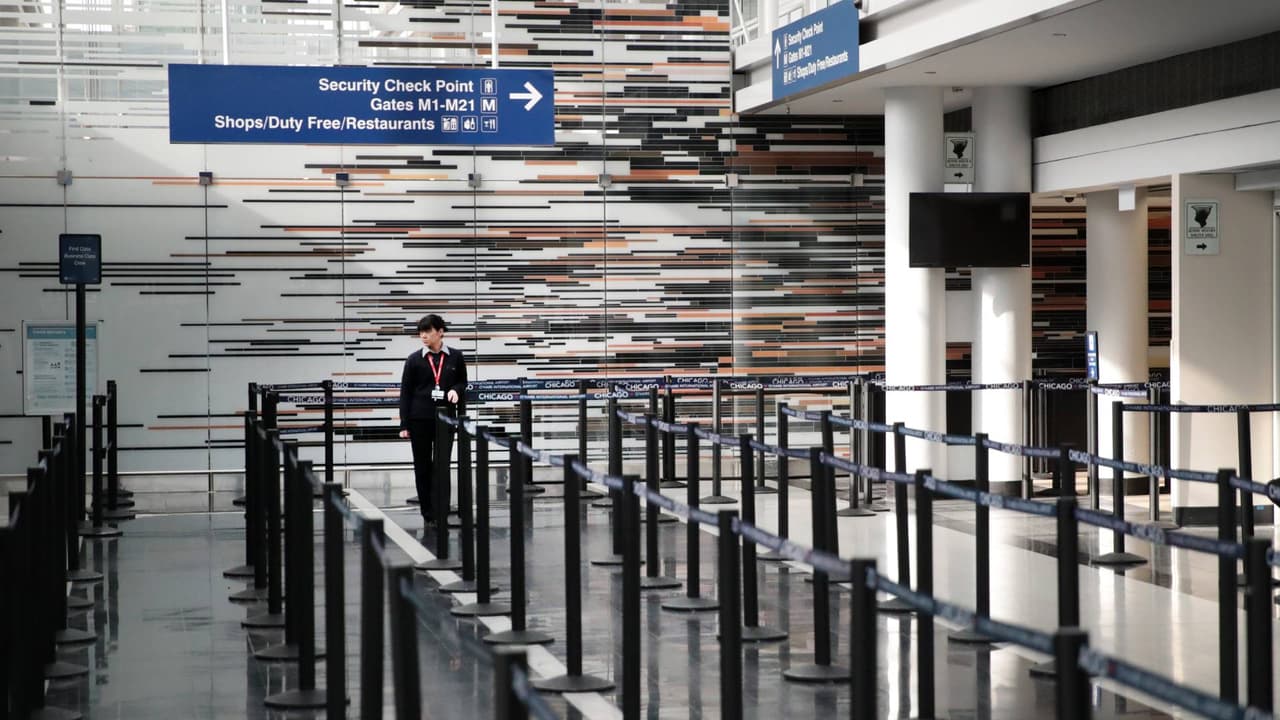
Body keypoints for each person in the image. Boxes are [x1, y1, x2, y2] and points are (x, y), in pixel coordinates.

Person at [398, 314, 467, 528]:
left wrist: (455, 390)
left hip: (445, 419)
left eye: (428, 331)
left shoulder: (455, 357)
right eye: (421, 332)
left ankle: (442, 511)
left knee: (442, 466)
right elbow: (405, 393)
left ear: (440, 332)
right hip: (419, 420)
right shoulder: (413, 360)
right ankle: (428, 513)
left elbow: (462, 381)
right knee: (422, 467)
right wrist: (404, 424)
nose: (423, 336)